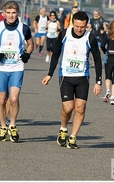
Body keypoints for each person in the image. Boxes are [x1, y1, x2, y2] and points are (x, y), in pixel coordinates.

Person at [41, 11, 102, 149]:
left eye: (82, 27)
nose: (79, 29)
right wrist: (49, 74)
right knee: (68, 108)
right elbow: (56, 54)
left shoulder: (90, 38)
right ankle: (63, 129)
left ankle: (73, 137)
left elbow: (97, 60)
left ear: (87, 25)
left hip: (82, 77)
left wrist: (99, 82)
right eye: (77, 26)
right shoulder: (64, 34)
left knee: (80, 109)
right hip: (66, 76)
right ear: (72, 23)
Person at [0, 0, 34, 142]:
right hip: (1, 68)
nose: (11, 16)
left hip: (17, 67)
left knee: (13, 99)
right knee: (1, 100)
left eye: (14, 13)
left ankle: (12, 125)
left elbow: (31, 44)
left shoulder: (23, 28)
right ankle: (2, 127)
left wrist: (27, 54)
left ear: (17, 13)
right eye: (8, 13)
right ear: (4, 14)